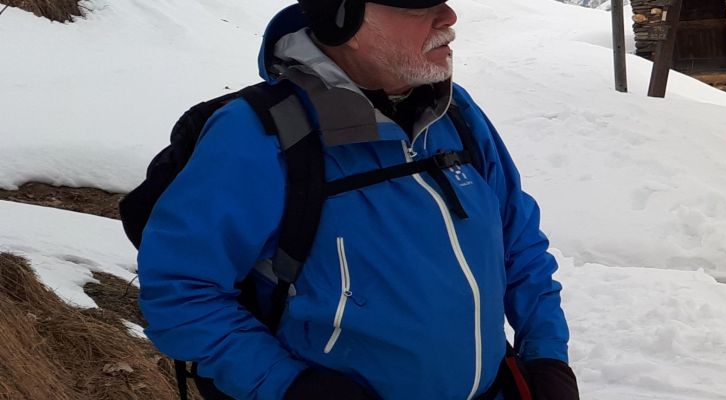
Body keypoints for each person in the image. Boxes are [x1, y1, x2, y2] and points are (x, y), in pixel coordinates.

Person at [135, 1, 577, 399]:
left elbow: (517, 243)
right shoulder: (258, 135)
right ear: (339, 17)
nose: (448, 17)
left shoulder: (456, 114)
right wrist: (289, 387)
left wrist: (546, 357)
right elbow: (182, 290)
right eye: (418, 4)